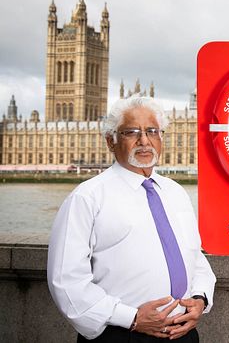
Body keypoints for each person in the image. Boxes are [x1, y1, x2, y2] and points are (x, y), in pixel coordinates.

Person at [47, 96, 216, 342]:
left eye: (152, 131)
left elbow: (194, 257)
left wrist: (200, 299)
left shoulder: (175, 192)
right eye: (132, 132)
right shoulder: (87, 197)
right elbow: (65, 280)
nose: (144, 141)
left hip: (183, 333)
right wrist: (132, 318)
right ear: (110, 141)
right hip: (122, 334)